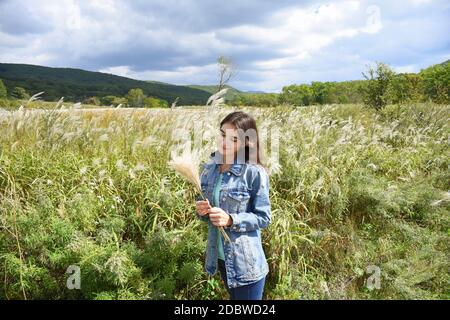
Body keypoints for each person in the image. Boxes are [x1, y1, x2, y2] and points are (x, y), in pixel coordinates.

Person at [195, 111, 271, 300]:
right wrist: (202, 211)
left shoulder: (253, 172)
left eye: (233, 139)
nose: (224, 143)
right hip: (220, 259)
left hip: (246, 264)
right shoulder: (210, 167)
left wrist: (230, 219)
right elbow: (206, 213)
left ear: (246, 142)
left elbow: (263, 217)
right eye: (222, 134)